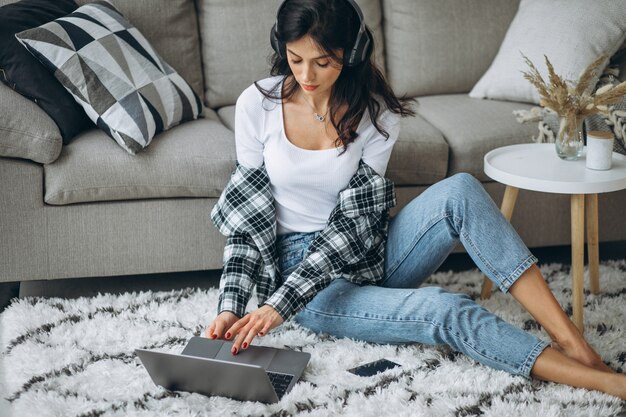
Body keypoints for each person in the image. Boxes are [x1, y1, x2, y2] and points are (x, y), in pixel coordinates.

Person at [206, 0, 626, 400]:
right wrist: (234, 305)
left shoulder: (375, 113)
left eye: (322, 61)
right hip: (307, 284)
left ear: (351, 53)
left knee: (460, 189)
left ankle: (574, 343)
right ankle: (603, 383)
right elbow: (248, 222)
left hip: (364, 250)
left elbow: (352, 228)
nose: (307, 75)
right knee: (440, 308)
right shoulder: (256, 104)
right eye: (295, 59)